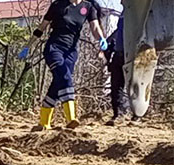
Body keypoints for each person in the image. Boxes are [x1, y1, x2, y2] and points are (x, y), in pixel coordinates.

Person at [20, 0, 107, 130]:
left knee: (58, 82)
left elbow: (94, 27)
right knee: (65, 77)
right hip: (54, 49)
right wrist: (28, 46)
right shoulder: (57, 5)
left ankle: (44, 122)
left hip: (71, 52)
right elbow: (41, 28)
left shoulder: (87, 7)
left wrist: (101, 39)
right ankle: (71, 118)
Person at [105, 21, 127, 125]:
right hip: (118, 54)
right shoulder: (123, 15)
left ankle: (135, 115)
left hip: (133, 54)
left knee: (134, 86)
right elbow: (118, 32)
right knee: (116, 87)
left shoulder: (139, 10)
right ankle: (118, 114)